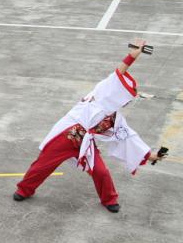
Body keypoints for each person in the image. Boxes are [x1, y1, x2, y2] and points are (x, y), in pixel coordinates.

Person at [14, 40, 166, 212]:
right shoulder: (100, 95)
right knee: (42, 166)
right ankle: (24, 189)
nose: (125, 101)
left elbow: (128, 138)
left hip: (85, 144)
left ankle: (109, 199)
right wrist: (132, 57)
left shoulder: (115, 118)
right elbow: (119, 72)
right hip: (65, 136)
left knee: (101, 172)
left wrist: (152, 156)